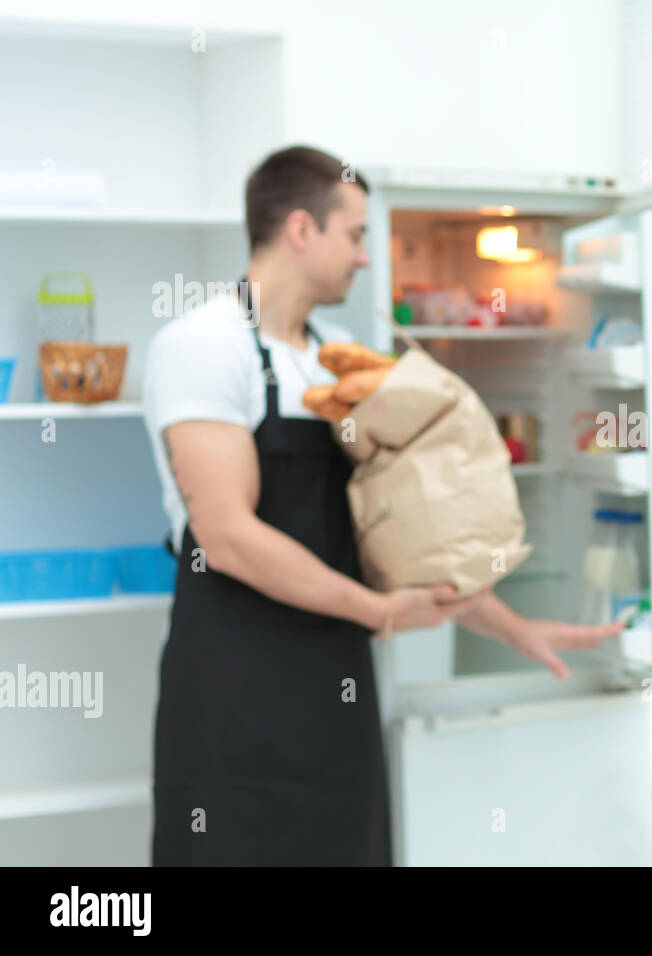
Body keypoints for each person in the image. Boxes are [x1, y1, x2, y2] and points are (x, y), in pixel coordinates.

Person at [144, 145, 626, 866]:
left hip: (334, 690)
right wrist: (376, 614)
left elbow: (399, 541)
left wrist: (512, 626)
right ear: (302, 229)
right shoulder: (204, 346)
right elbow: (229, 535)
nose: (367, 257)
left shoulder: (344, 358)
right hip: (232, 688)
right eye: (356, 234)